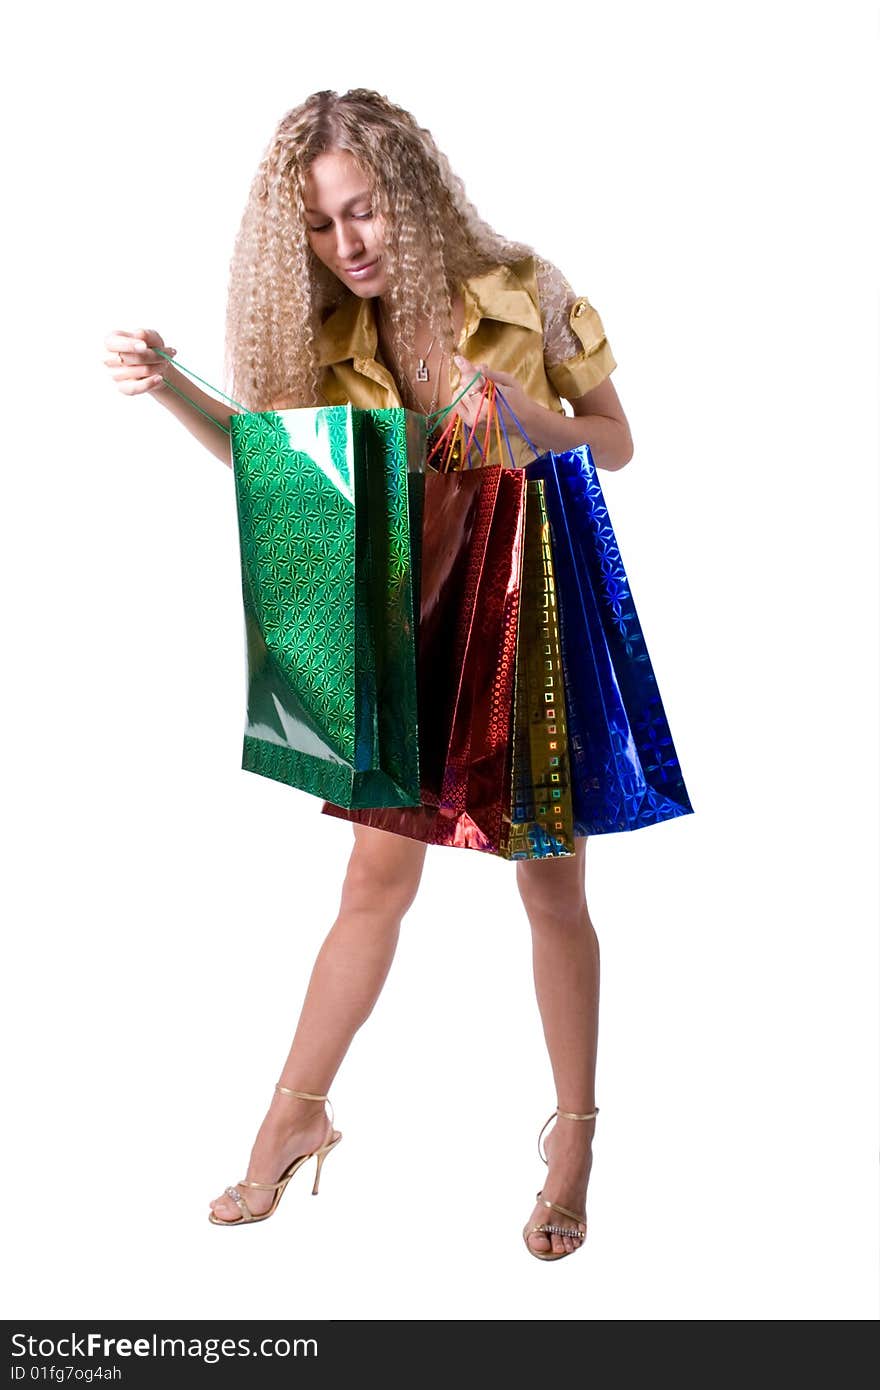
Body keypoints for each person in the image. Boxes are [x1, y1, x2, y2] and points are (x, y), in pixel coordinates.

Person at [103, 88, 634, 1261]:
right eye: (322, 224)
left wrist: (526, 417)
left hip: (526, 612)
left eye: (366, 209)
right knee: (370, 884)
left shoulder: (524, 289)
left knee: (549, 891)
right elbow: (276, 471)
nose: (350, 242)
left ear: (413, 192)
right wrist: (176, 386)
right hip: (411, 616)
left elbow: (615, 441)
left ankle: (574, 1141)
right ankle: (290, 1120)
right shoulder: (333, 339)